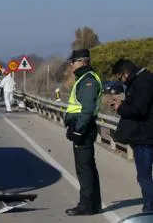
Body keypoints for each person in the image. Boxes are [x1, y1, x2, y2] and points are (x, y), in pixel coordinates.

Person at [110, 58, 153, 212]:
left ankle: (149, 209)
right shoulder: (145, 79)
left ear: (126, 73)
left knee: (144, 176)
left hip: (145, 138)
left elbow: (139, 110)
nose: (121, 80)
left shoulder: (142, 82)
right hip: (145, 136)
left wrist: (120, 107)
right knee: (145, 176)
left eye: (120, 77)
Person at [64, 49, 102, 216]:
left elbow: (87, 109)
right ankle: (94, 204)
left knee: (84, 169)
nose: (71, 64)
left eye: (73, 61)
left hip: (83, 128)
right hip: (83, 126)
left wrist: (78, 129)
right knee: (88, 167)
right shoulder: (84, 79)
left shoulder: (88, 81)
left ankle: (86, 205)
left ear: (82, 62)